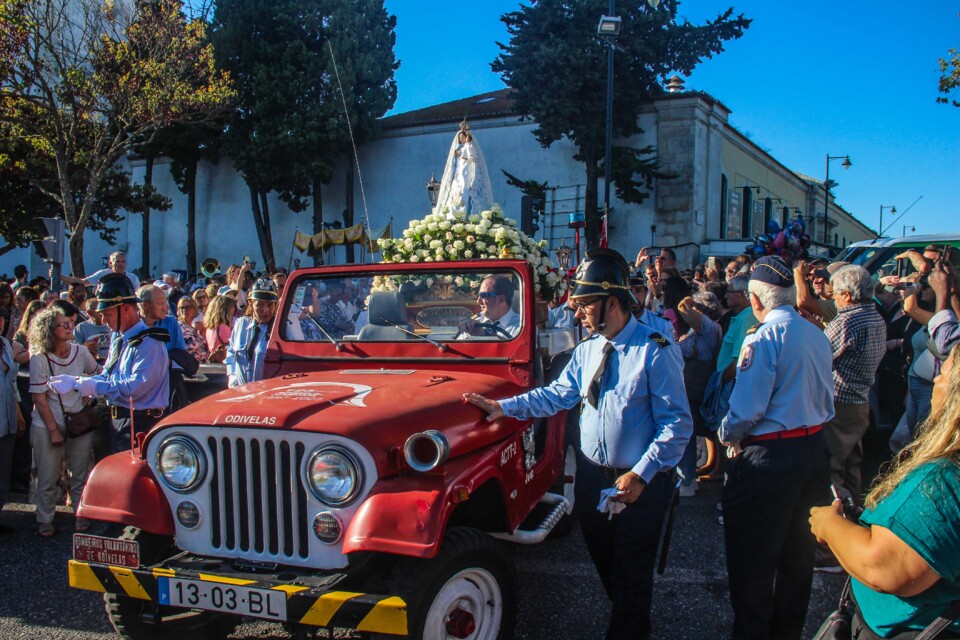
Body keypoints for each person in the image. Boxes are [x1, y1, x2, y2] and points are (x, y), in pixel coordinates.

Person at [463, 248, 691, 640]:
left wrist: (642, 473)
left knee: (631, 580)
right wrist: (503, 407)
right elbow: (555, 395)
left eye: (585, 304)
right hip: (591, 480)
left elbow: (677, 424)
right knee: (610, 572)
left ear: (613, 303)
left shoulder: (655, 350)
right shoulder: (587, 351)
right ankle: (634, 625)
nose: (577, 312)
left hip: (638, 485)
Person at [718, 255, 835, 640]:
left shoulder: (762, 338)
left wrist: (726, 435)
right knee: (796, 559)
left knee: (753, 561)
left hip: (770, 458)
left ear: (756, 301)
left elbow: (746, 410)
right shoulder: (816, 333)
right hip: (813, 449)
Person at [809, 345, 960, 639]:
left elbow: (883, 565)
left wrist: (829, 524)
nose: (937, 381)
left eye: (944, 371)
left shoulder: (946, 481)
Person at [47, 273, 169, 453]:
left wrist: (89, 385)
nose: (104, 321)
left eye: (108, 314)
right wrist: (79, 382)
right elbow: (108, 374)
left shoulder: (149, 342)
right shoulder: (119, 338)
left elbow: (134, 388)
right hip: (119, 419)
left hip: (141, 421)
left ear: (126, 308)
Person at [29, 308, 99, 537]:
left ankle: (81, 514)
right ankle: (45, 518)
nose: (70, 327)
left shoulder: (80, 352)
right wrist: (53, 430)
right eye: (64, 325)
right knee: (48, 475)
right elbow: (39, 398)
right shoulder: (40, 358)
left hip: (78, 419)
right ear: (50, 331)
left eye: (69, 323)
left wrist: (90, 389)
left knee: (79, 473)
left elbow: (98, 373)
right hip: (48, 422)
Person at [822, 265, 888, 508]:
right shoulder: (876, 317)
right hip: (862, 401)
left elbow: (821, 357)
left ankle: (832, 530)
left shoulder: (847, 321)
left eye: (835, 294)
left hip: (839, 402)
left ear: (847, 295)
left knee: (833, 469)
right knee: (852, 466)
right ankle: (855, 516)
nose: (834, 299)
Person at [0, 310, 26, 536]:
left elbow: (12, 383)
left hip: (6, 416)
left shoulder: (6, 345)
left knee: (3, 470)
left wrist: (18, 410)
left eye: (1, 321)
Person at [226, 278, 277, 387]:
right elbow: (231, 350)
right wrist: (232, 375)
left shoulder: (280, 329)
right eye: (260, 305)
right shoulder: (241, 324)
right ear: (250, 304)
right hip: (241, 392)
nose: (266, 310)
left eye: (270, 305)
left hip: (267, 393)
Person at [456, 275, 521, 339]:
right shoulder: (475, 324)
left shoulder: (521, 327)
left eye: (483, 295)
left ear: (501, 300)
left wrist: (484, 335)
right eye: (478, 295)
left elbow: (514, 348)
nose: (478, 301)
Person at [61, 251, 140, 291]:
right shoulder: (103, 274)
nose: (121, 264)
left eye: (123, 261)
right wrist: (59, 276)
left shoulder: (133, 278)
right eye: (118, 261)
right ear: (110, 263)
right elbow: (82, 282)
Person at [74, 298, 111, 364]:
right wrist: (84, 348)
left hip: (111, 363)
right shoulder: (81, 328)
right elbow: (72, 351)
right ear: (89, 312)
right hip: (90, 365)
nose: (103, 312)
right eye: (99, 310)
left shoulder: (112, 325)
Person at [205, 295, 236, 363]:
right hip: (224, 364)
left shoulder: (209, 329)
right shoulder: (223, 328)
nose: (234, 309)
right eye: (232, 307)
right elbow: (233, 347)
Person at [177, 297, 209, 364]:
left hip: (203, 366)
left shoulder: (194, 329)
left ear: (195, 310)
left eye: (188, 307)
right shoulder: (179, 327)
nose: (184, 310)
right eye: (182, 307)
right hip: (191, 367)